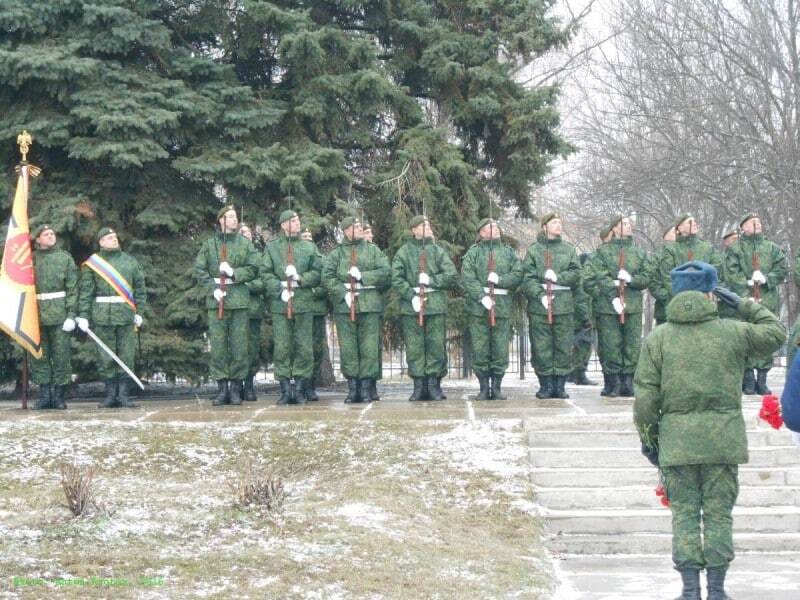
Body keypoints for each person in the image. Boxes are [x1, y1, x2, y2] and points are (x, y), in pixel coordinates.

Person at [634, 261, 785, 600]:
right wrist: (743, 303)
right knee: (718, 515)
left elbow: (645, 398)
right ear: (713, 294)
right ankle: (717, 590)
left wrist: (649, 440)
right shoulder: (732, 331)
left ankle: (689, 591)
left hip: (677, 442)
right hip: (723, 440)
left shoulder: (658, 339)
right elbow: (776, 333)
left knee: (684, 515)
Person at [194, 206, 260, 406]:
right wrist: (212, 288)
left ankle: (235, 388)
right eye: (230, 217)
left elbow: (254, 267)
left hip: (238, 299)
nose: (234, 220)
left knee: (239, 347)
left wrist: (234, 273)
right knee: (219, 346)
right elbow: (200, 269)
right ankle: (222, 388)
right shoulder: (210, 245)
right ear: (220, 220)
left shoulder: (245, 245)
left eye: (235, 217)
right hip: (217, 300)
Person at [77, 227, 147, 408]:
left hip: (125, 315)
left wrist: (139, 312)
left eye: (115, 237)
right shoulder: (93, 264)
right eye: (109, 238)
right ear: (101, 242)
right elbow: (86, 292)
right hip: (102, 316)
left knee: (126, 355)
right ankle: (110, 395)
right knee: (106, 356)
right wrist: (83, 315)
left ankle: (123, 395)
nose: (114, 240)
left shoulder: (130, 262)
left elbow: (140, 289)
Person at [392, 215, 459, 401]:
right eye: (423, 225)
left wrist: (431, 280)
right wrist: (410, 295)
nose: (427, 227)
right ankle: (419, 385)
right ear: (413, 230)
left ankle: (434, 385)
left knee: (436, 345)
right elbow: (396, 277)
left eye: (428, 224)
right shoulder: (404, 252)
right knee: (414, 346)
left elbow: (451, 275)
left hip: (435, 304)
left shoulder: (437, 251)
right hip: (411, 306)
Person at [323, 217, 390, 403]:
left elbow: (386, 272)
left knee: (369, 347)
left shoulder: (373, 250)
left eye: (360, 226)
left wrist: (363, 276)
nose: (359, 228)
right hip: (345, 306)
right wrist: (342, 292)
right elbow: (327, 277)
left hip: (369, 304)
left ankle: (367, 388)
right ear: (345, 230)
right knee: (349, 348)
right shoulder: (336, 254)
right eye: (355, 226)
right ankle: (353, 388)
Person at [262, 210, 323, 405]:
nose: (297, 223)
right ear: (283, 224)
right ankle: (285, 388)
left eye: (298, 220)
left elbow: (318, 272)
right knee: (282, 347)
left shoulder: (309, 247)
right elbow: (265, 273)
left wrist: (300, 279)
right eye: (293, 221)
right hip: (281, 303)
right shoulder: (272, 248)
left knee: (304, 347)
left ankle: (300, 388)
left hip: (303, 302)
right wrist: (279, 288)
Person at [585, 215, 651, 397]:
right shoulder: (602, 252)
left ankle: (628, 381)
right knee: (610, 344)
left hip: (632, 304)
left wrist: (631, 279)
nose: (628, 227)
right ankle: (612, 382)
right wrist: (613, 296)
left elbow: (647, 275)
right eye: (623, 224)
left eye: (629, 224)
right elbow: (599, 275)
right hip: (608, 305)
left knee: (632, 344)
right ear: (614, 228)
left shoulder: (639, 252)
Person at [724, 214, 787, 395]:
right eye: (753, 222)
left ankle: (762, 379)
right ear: (744, 227)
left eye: (759, 222)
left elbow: (781, 268)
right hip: (746, 301)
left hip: (767, 300)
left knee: (766, 337)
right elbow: (731, 274)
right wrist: (746, 287)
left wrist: (768, 279)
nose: (757, 224)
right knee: (747, 337)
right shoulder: (736, 249)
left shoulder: (772, 248)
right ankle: (749, 378)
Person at [520, 213, 581, 399]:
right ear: (544, 226)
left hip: (563, 305)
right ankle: (545, 385)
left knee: (563, 345)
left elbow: (577, 274)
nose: (558, 225)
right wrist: (540, 296)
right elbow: (526, 278)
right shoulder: (534, 251)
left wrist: (558, 277)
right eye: (554, 222)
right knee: (542, 346)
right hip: (540, 307)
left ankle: (560, 385)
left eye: (560, 223)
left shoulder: (569, 250)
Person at [461, 218, 522, 400]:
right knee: (480, 347)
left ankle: (496, 386)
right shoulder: (474, 253)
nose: (494, 229)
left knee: (500, 347)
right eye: (489, 227)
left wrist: (500, 280)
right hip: (479, 308)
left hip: (501, 305)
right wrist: (481, 297)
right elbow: (468, 278)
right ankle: (482, 387)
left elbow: (518, 274)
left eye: (496, 227)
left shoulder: (508, 252)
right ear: (481, 233)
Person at [30, 224, 79, 409]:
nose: (51, 236)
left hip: (60, 315)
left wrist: (71, 314)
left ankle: (59, 396)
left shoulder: (64, 258)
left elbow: (73, 289)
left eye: (52, 234)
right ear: (38, 240)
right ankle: (44, 396)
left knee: (61, 356)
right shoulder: (30, 260)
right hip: (35, 315)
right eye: (46, 234)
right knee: (39, 356)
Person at [238, 223, 265, 401]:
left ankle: (248, 384)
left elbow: (263, 281)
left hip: (252, 309)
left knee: (251, 349)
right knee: (235, 348)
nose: (245, 234)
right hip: (234, 310)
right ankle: (234, 385)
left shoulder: (258, 257)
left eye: (247, 232)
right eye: (241, 232)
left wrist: (244, 284)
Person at [301, 227, 327, 401]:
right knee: (303, 348)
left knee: (316, 349)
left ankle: (311, 385)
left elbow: (326, 282)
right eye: (304, 236)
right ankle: (301, 384)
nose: (308, 239)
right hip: (301, 310)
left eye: (310, 236)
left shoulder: (322, 259)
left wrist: (313, 291)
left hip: (317, 310)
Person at [648, 223, 677, 327]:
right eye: (674, 231)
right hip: (664, 310)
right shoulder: (657, 257)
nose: (677, 233)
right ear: (666, 236)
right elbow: (653, 283)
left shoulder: (684, 253)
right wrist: (669, 298)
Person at [717, 228, 740, 320]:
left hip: (746, 300)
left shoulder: (746, 256)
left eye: (738, 239)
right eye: (734, 239)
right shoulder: (719, 260)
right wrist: (726, 290)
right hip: (727, 302)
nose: (737, 241)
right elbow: (716, 279)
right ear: (726, 242)